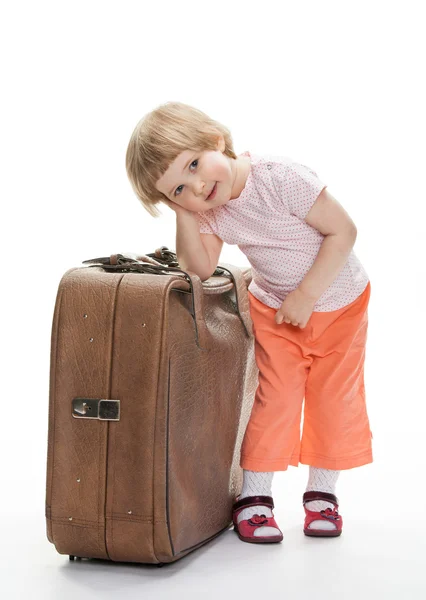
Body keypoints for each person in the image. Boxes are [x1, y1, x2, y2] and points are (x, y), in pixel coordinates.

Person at [125, 101, 373, 544]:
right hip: (276, 311)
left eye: (196, 165)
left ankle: (322, 495)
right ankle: (255, 499)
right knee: (274, 399)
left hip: (339, 303)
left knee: (331, 399)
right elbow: (199, 268)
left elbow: (344, 232)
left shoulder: (280, 178)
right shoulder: (208, 210)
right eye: (179, 189)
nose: (198, 187)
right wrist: (185, 214)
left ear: (216, 139)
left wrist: (306, 295)